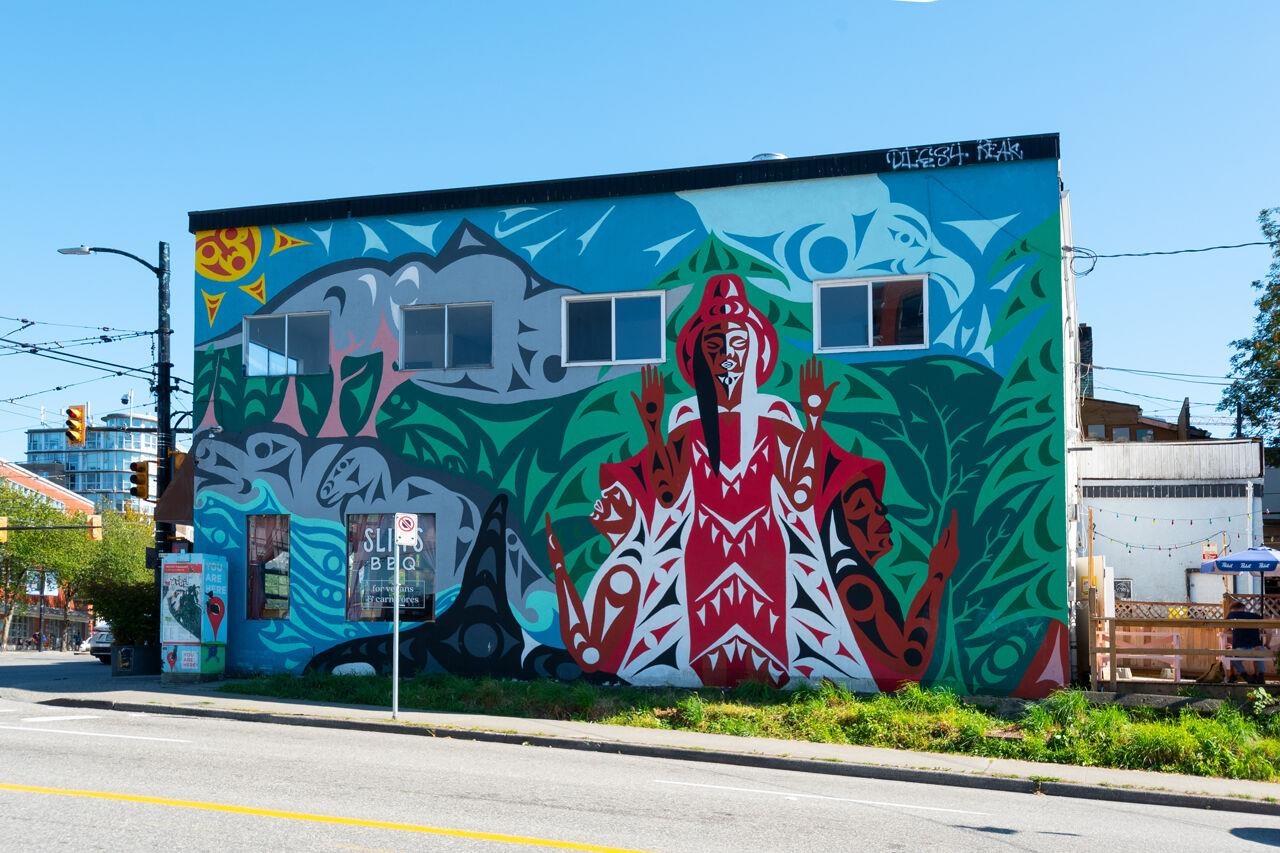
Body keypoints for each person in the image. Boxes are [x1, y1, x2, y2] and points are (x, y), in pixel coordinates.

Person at [1226, 600, 1268, 684]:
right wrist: (1267, 644)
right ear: (1243, 608)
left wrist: (1230, 631)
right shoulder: (1254, 616)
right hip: (1256, 648)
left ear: (1233, 609)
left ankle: (1245, 676)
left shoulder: (1232, 615)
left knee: (1231, 657)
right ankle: (1260, 676)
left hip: (1241, 649)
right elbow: (1268, 628)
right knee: (1260, 654)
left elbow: (1226, 629)